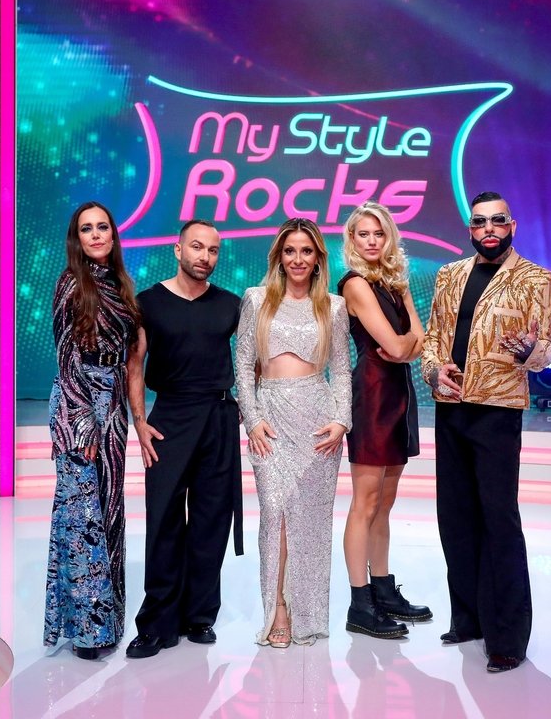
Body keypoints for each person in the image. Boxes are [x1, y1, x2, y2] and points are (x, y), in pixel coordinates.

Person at [421, 191, 551, 673]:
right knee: (455, 516)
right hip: (451, 407)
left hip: (497, 411)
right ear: (471, 229)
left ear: (512, 226)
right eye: (480, 222)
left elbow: (546, 350)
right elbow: (433, 339)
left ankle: (507, 639)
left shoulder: (535, 278)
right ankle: (469, 619)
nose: (489, 229)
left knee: (499, 519)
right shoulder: (449, 274)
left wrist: (529, 351)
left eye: (498, 220)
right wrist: (434, 370)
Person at [125, 219, 244, 659]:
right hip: (169, 418)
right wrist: (140, 422)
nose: (204, 257)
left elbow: (250, 361)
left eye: (213, 250)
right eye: (197, 247)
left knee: (212, 521)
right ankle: (157, 623)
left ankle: (199, 615)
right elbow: (134, 365)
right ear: (178, 250)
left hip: (218, 417)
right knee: (163, 522)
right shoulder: (148, 303)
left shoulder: (230, 305)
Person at [236, 217, 352, 648]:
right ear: (279, 257)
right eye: (290, 251)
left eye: (306, 251)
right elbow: (242, 364)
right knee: (274, 514)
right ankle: (278, 610)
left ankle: (307, 615)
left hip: (318, 423)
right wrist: (252, 418)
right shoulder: (257, 299)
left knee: (311, 522)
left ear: (318, 257)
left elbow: (342, 370)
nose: (298, 259)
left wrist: (341, 420)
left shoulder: (334, 306)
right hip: (270, 421)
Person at [43, 200, 142, 660]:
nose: (97, 234)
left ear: (113, 235)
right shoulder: (70, 283)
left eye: (103, 226)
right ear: (77, 239)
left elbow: (131, 353)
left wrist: (122, 413)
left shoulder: (121, 285)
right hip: (77, 406)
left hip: (113, 405)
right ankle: (87, 631)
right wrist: (82, 422)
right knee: (81, 519)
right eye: (87, 229)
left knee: (108, 510)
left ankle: (110, 620)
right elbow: (65, 357)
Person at [336, 202, 430, 639]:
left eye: (379, 233)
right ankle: (360, 604)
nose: (372, 241)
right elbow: (396, 346)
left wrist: (406, 345)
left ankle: (384, 589)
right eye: (363, 234)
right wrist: (406, 345)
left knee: (385, 504)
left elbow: (421, 341)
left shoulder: (395, 282)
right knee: (366, 502)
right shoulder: (355, 284)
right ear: (352, 240)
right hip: (372, 398)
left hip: (400, 396)